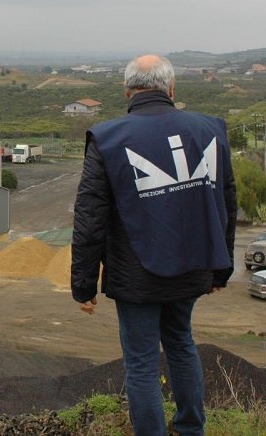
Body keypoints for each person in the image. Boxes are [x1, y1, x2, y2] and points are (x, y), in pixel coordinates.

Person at [71, 55, 237, 436]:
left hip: (136, 273)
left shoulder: (108, 139)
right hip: (194, 267)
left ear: (128, 91)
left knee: (142, 363)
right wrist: (221, 268)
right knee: (181, 342)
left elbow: (90, 218)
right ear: (172, 89)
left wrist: (83, 283)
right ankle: (191, 429)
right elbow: (226, 203)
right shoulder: (210, 129)